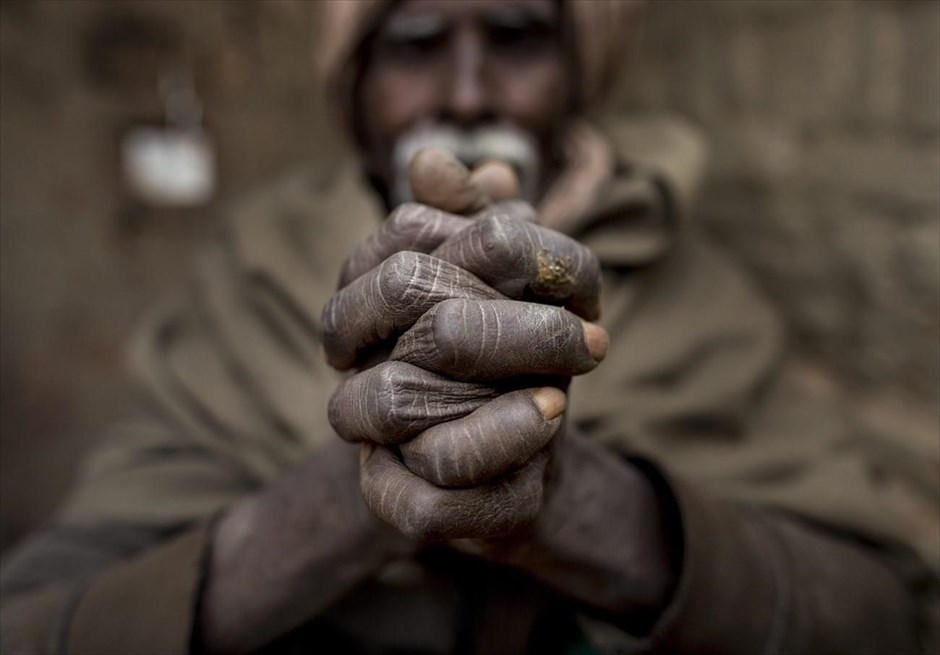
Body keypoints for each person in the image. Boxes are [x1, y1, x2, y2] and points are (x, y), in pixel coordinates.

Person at [1, 1, 936, 653]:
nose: (469, 94)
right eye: (415, 44)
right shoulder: (253, 272)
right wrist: (367, 478)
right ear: (355, 78)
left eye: (517, 38)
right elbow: (41, 622)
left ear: (580, 65)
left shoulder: (696, 287)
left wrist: (568, 498)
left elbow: (883, 619)